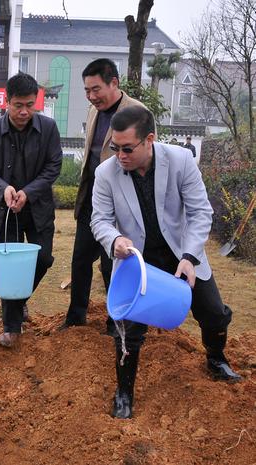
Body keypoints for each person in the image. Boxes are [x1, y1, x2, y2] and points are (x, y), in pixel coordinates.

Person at [91, 106, 242, 420]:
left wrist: (189, 257)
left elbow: (201, 213)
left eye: (128, 149)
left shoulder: (180, 161)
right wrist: (114, 239)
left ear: (150, 139)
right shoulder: (106, 173)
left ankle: (215, 358)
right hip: (138, 261)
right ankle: (124, 392)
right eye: (116, 148)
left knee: (213, 312)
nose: (120, 156)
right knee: (128, 328)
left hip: (180, 252)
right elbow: (100, 220)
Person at [62, 58, 147, 328]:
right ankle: (75, 318)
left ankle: (117, 322)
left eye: (96, 89)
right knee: (80, 259)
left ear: (114, 83)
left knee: (114, 263)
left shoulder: (138, 112)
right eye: (87, 90)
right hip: (91, 198)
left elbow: (146, 160)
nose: (91, 96)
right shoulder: (93, 111)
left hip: (122, 203)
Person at [0, 72, 62, 348]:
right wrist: (3, 188)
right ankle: (11, 328)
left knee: (44, 258)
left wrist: (28, 192)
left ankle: (19, 299)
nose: (25, 111)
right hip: (5, 210)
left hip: (38, 207)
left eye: (30, 104)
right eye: (19, 105)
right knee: (9, 268)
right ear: (7, 102)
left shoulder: (48, 128)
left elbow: (54, 167)